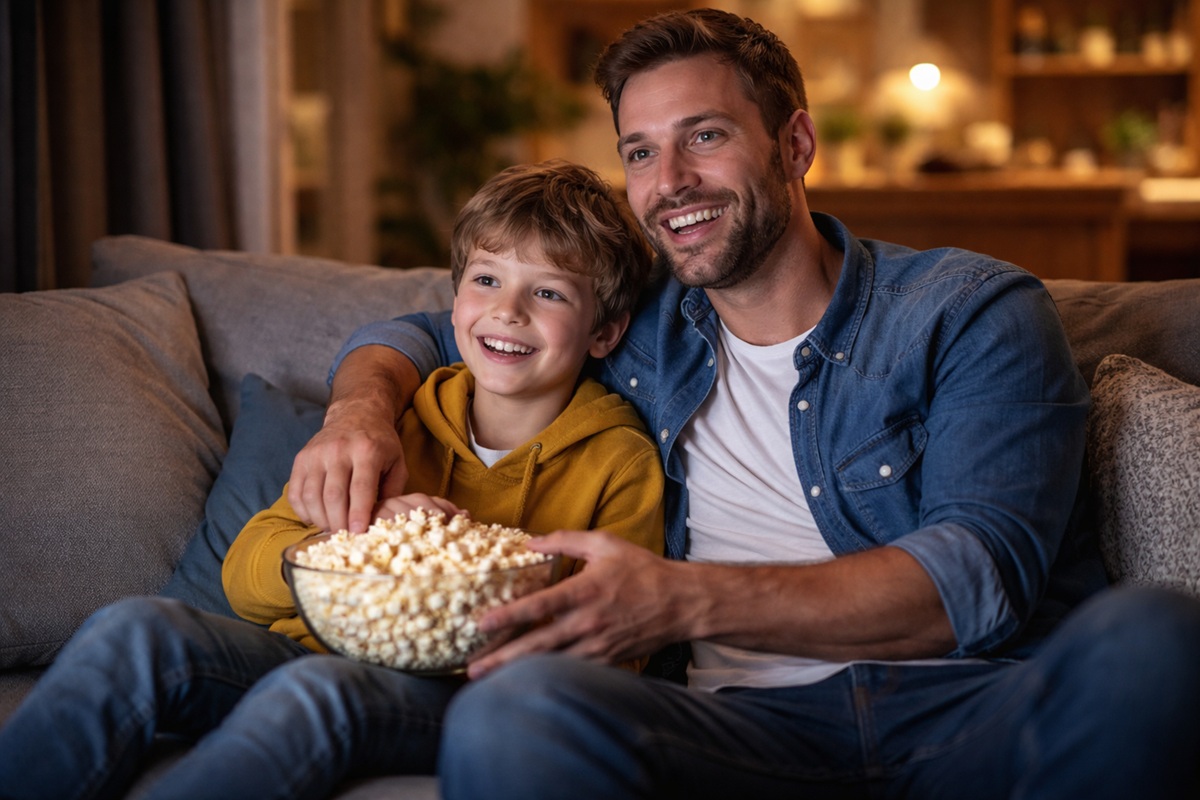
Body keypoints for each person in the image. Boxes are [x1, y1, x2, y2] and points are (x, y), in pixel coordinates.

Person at [287, 8, 1200, 800]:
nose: (669, 181)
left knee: (1153, 639)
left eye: (705, 136)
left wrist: (677, 600)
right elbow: (428, 330)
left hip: (967, 710)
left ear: (795, 144)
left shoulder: (965, 312)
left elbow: (977, 580)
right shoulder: (637, 324)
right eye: (640, 152)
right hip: (732, 732)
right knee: (518, 708)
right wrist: (357, 413)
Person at [0, 159, 664, 800]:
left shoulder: (618, 459)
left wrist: (479, 586)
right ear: (455, 297)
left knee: (317, 691)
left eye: (548, 293)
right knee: (135, 628)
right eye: (486, 279)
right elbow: (246, 574)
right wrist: (354, 546)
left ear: (604, 332)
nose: (508, 310)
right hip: (304, 651)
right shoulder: (391, 422)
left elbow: (617, 646)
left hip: (460, 698)